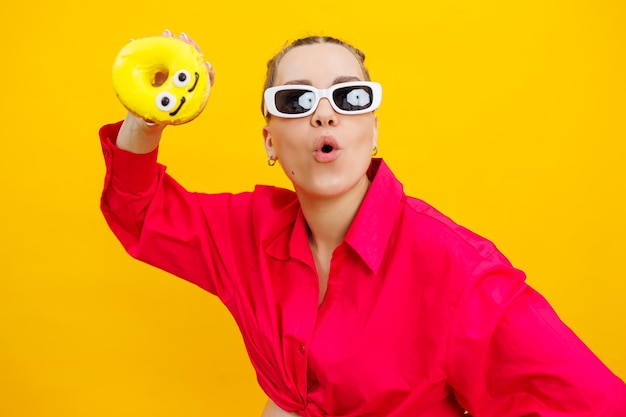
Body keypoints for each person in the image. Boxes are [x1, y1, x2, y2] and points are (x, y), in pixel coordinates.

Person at [99, 30, 626, 416]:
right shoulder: (245, 232)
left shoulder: (458, 273)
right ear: (269, 142)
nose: (324, 115)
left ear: (373, 131)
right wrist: (149, 115)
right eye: (296, 99)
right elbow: (139, 210)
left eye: (350, 98)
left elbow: (594, 406)